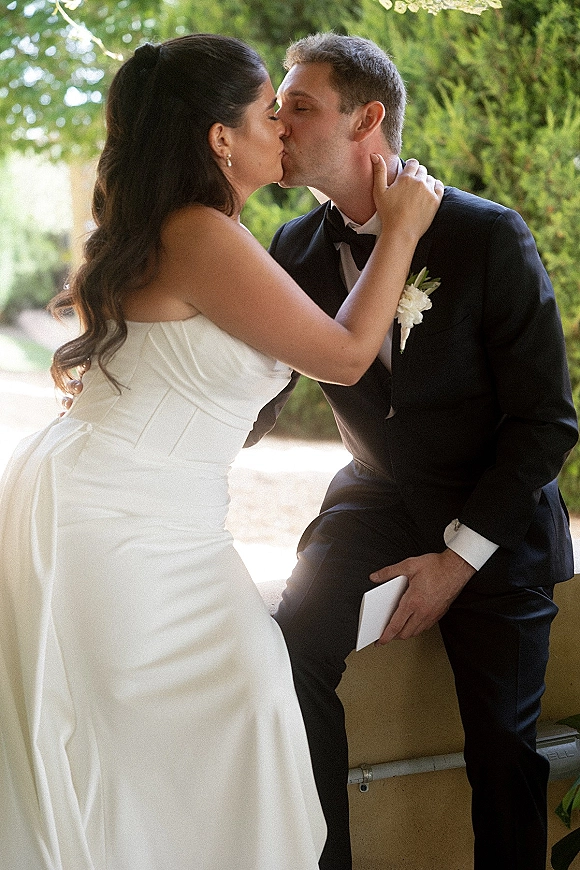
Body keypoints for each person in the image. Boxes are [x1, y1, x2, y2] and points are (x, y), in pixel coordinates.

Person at [0, 33, 442, 870]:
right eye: (266, 112)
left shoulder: (194, 229)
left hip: (163, 522)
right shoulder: (199, 232)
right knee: (203, 733)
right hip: (123, 527)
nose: (280, 127)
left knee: (225, 729)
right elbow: (345, 356)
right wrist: (402, 232)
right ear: (219, 138)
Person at [247, 33, 579, 870]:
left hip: (496, 519)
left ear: (368, 118)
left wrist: (459, 560)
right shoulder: (293, 248)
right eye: (278, 106)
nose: (277, 120)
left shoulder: (486, 236)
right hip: (376, 498)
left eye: (300, 105)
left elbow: (547, 422)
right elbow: (262, 391)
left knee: (502, 748)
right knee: (291, 653)